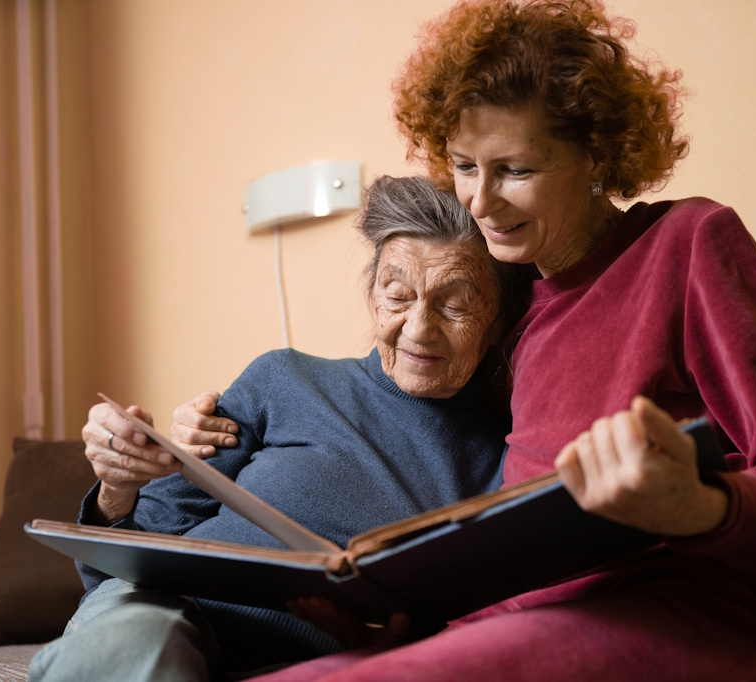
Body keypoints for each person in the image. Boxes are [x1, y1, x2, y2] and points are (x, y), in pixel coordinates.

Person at [192, 1, 756, 680]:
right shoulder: (509, 319)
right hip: (534, 627)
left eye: (515, 170)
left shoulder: (686, 244)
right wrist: (403, 627)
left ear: (596, 154)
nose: (480, 202)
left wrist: (700, 507)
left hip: (704, 615)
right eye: (464, 166)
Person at [27, 175, 534, 682]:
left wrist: (396, 645)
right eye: (398, 296)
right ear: (372, 294)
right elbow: (122, 562)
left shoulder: (509, 460)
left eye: (455, 305)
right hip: (167, 618)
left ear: (498, 320)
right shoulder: (284, 379)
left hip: (313, 662)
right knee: (142, 644)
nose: (418, 329)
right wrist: (117, 487)